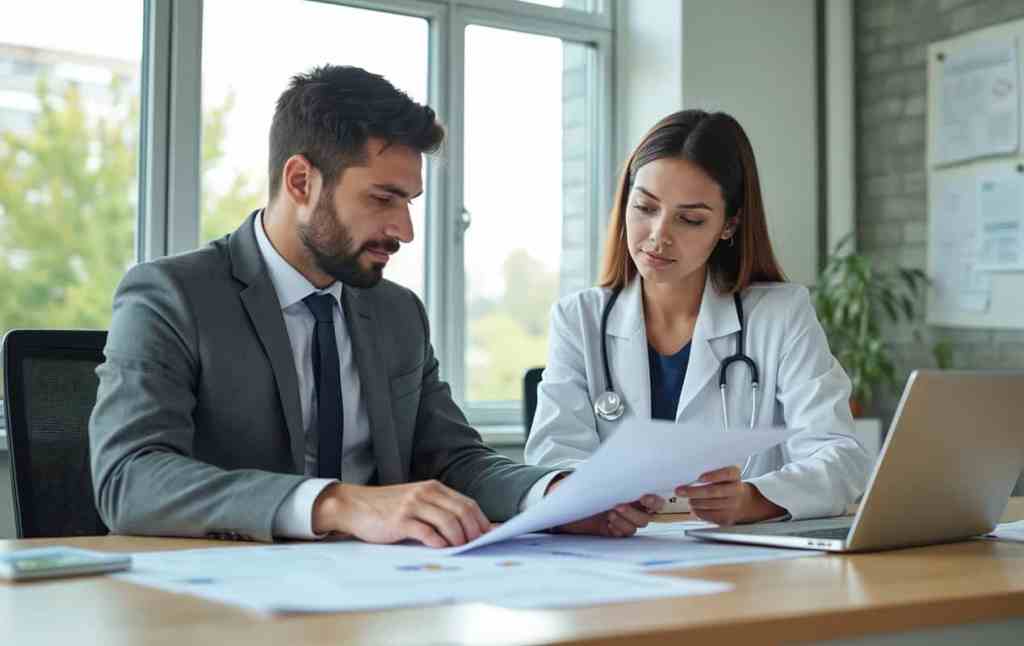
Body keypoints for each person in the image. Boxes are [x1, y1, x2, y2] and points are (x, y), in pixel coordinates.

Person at [89, 65, 653, 546]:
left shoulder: (396, 313)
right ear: (301, 180)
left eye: (408, 202)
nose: (404, 229)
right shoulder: (171, 296)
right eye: (383, 198)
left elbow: (453, 461)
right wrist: (337, 504)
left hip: (384, 600)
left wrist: (554, 495)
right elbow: (130, 478)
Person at [525, 110, 872, 526]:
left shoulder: (781, 315)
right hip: (617, 559)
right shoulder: (579, 319)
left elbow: (841, 457)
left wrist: (755, 498)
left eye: (690, 219)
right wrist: (591, 500)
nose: (658, 235)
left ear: (729, 225)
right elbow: (552, 459)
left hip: (746, 568)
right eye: (645, 208)